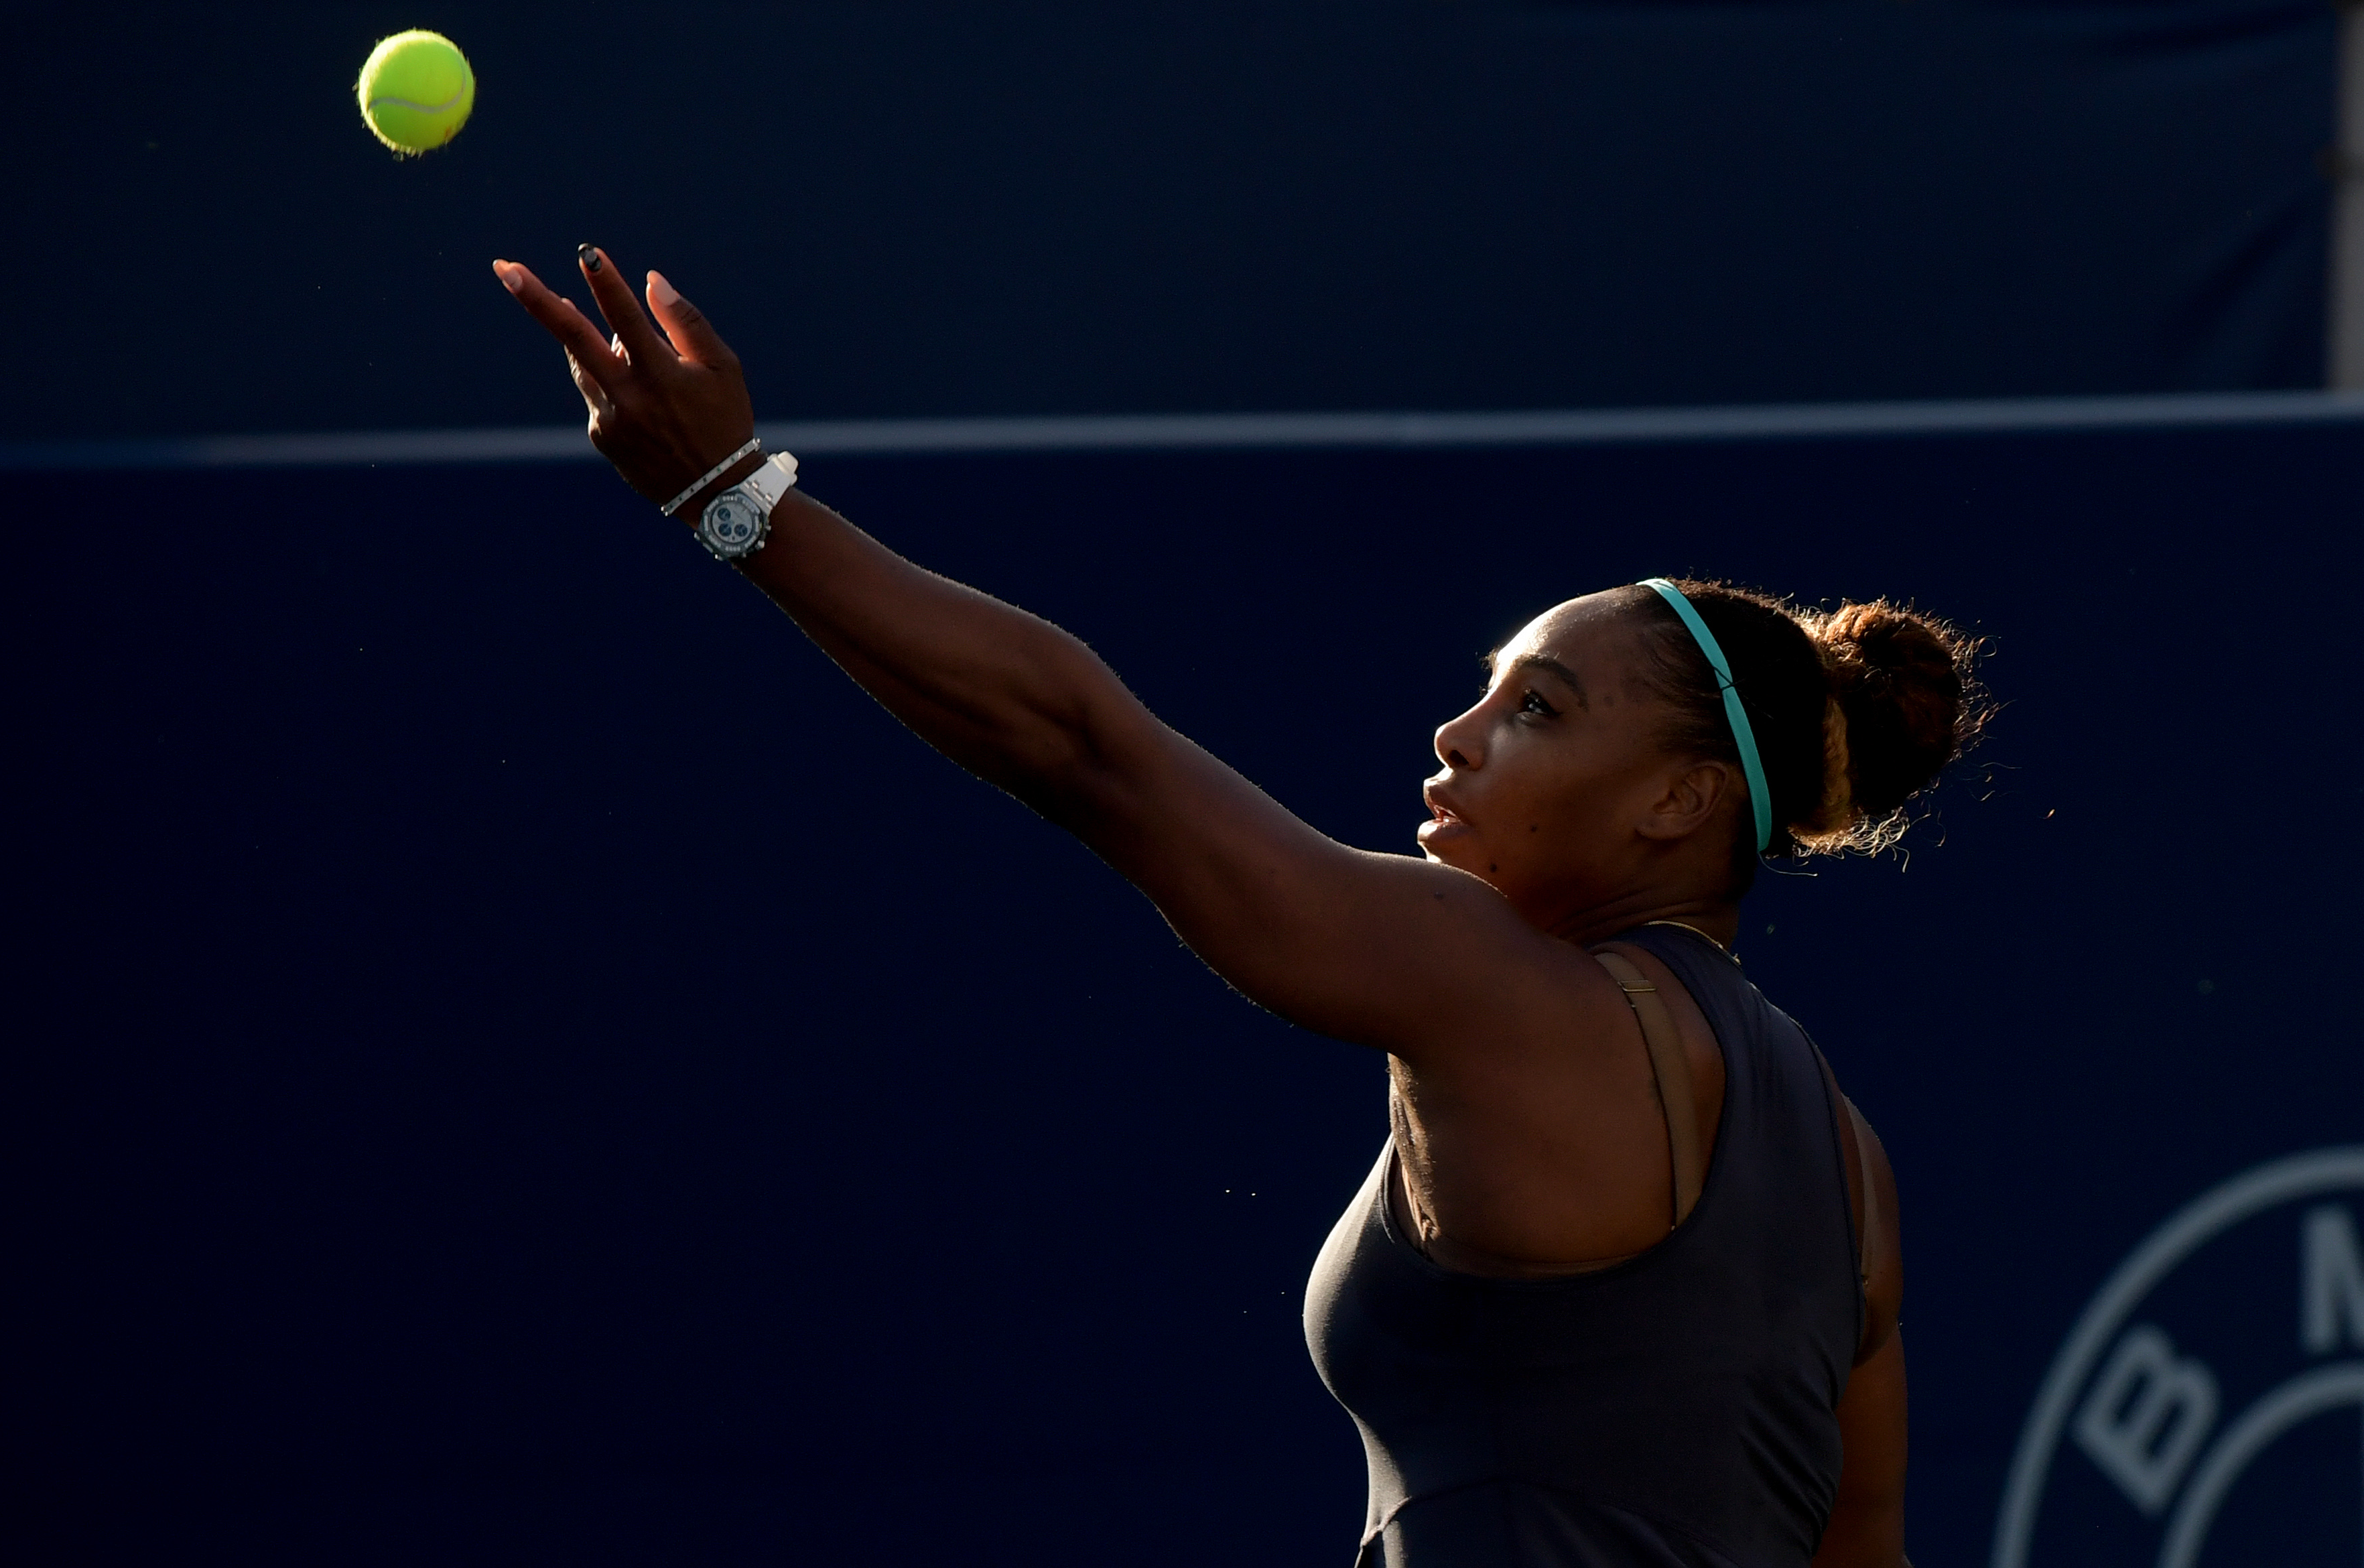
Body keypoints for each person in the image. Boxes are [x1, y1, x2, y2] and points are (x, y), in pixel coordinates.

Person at [493, 245, 1977, 1568]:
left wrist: (732, 496)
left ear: (1676, 802)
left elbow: (1087, 752)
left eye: (1538, 710)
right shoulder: (1851, 1170)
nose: (1458, 736)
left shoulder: (1507, 996)